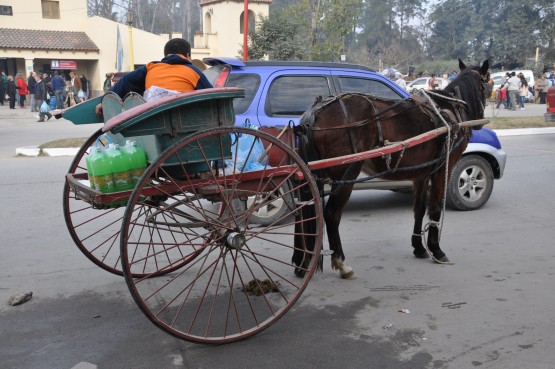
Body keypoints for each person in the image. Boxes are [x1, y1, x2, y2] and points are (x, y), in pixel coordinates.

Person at [96, 38, 212, 117]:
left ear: (166, 55)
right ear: (188, 56)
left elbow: (126, 80)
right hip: (185, 117)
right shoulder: (194, 71)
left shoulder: (151, 67)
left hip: (153, 117)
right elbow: (211, 94)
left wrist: (104, 102)